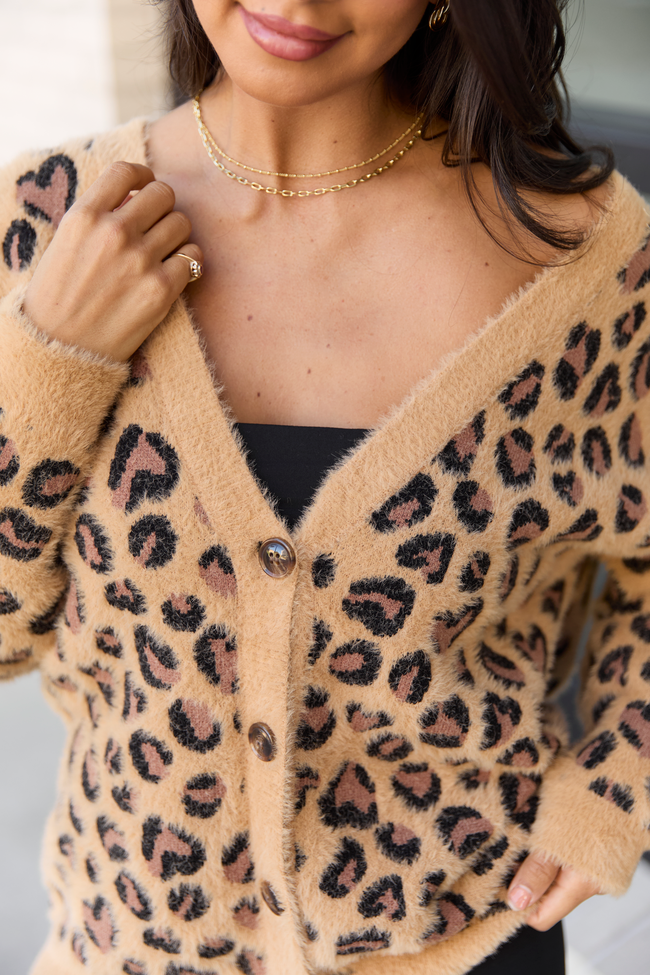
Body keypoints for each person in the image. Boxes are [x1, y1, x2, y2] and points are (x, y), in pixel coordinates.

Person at [1, 1, 649, 973]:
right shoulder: (47, 221)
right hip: (127, 946)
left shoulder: (585, 259)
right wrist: (51, 360)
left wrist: (617, 783)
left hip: (465, 940)